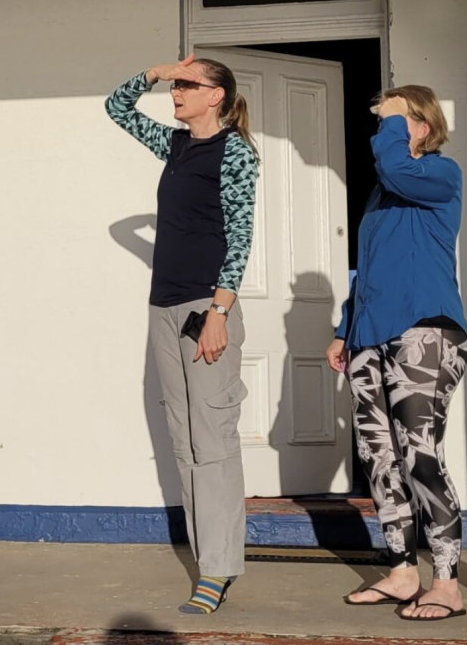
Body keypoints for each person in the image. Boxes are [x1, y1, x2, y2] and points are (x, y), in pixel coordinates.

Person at [105, 54, 258, 614]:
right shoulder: (175, 145)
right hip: (163, 308)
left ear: (216, 96)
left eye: (188, 85)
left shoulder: (235, 152)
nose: (177, 92)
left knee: (212, 437)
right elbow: (116, 107)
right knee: (183, 437)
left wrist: (219, 311)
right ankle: (207, 557)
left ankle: (218, 568)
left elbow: (240, 235)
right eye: (177, 85)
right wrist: (155, 73)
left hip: (205, 308)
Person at [325, 85, 467, 622]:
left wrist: (390, 121)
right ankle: (403, 571)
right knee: (379, 459)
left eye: (395, 119)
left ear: (423, 127)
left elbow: (396, 168)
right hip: (369, 337)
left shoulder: (440, 173)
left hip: (425, 331)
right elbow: (369, 268)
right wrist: (344, 330)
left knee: (418, 455)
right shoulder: (381, 193)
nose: (383, 127)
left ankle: (447, 583)